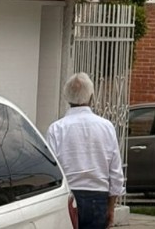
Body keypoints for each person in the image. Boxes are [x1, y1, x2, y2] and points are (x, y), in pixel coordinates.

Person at [47, 73, 125, 229]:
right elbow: (115, 172)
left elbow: (51, 170)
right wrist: (111, 206)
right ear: (91, 96)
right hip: (97, 197)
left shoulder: (56, 129)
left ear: (66, 97)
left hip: (66, 197)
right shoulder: (106, 127)